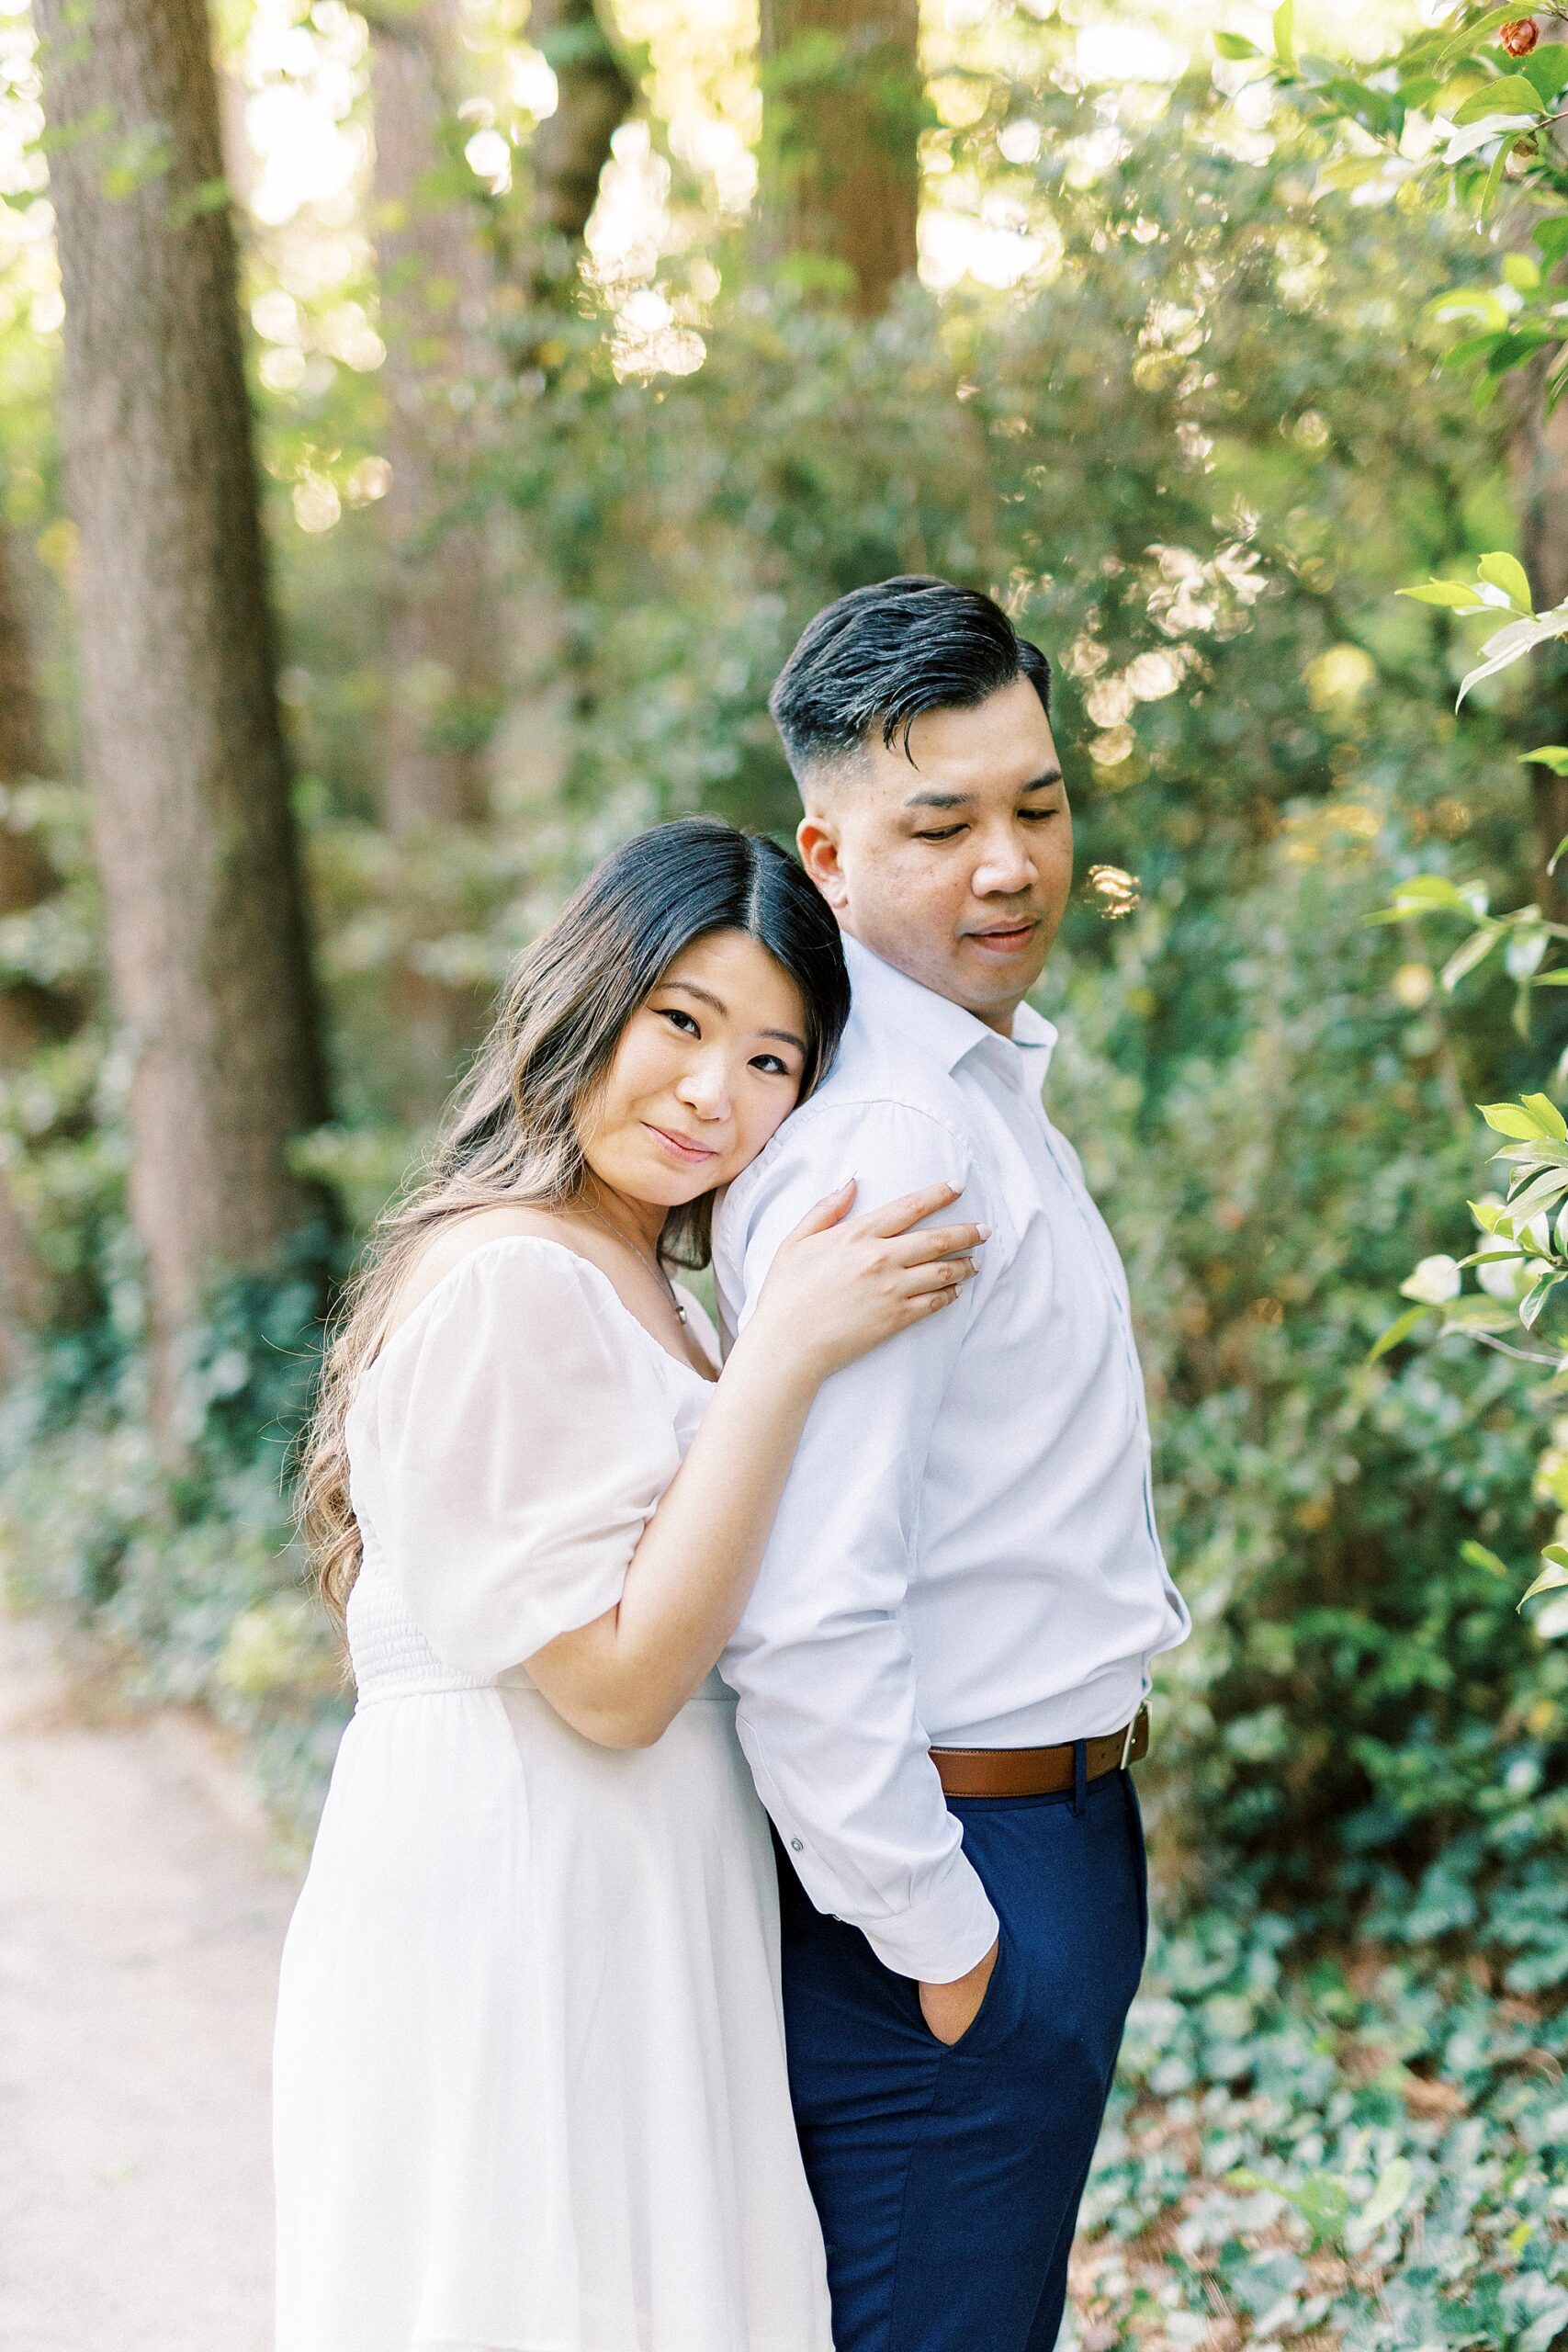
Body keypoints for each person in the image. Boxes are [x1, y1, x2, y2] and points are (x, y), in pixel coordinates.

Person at [274, 817, 987, 2352]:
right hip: (523, 1898)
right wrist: (786, 1354)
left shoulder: (656, 1289)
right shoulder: (514, 1274)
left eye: (772, 1063)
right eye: (681, 1021)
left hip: (640, 1890)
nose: (710, 1095)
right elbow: (611, 1684)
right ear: (588, 996)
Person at [715, 578, 1192, 2352]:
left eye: (1039, 805)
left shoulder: (977, 1092)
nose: (1011, 863)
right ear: (826, 856)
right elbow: (807, 1614)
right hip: (959, 1873)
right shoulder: (899, 1146)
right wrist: (944, 1942)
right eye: (946, 824)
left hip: (1040, 1839)